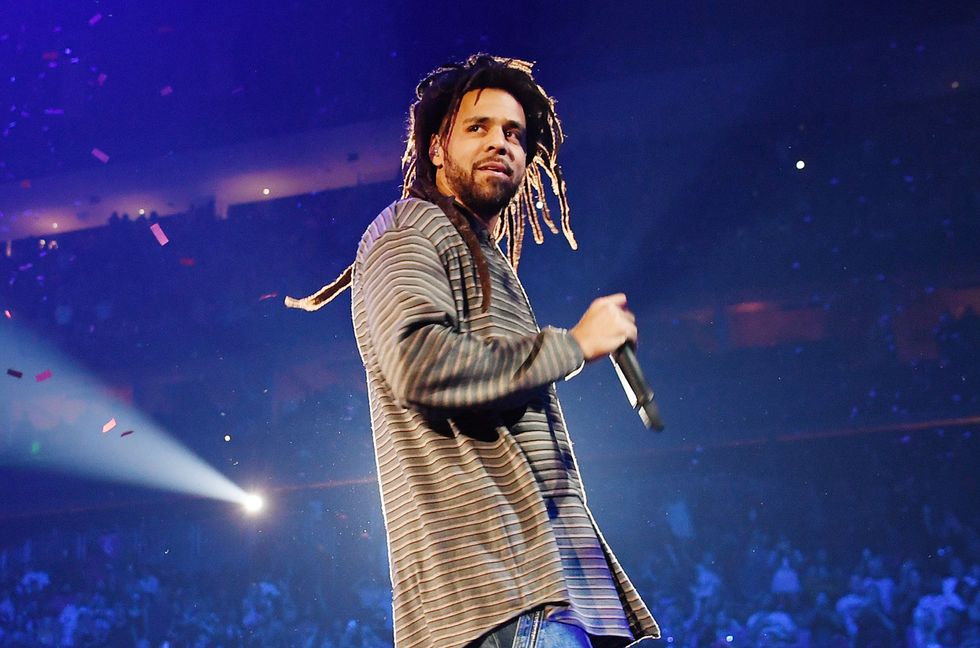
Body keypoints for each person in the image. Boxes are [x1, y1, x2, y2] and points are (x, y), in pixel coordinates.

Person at [287, 54, 659, 648]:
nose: (501, 143)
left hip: (536, 589)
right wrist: (574, 344)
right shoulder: (411, 228)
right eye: (478, 127)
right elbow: (420, 362)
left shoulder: (481, 256)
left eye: (514, 133)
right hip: (501, 593)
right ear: (436, 149)